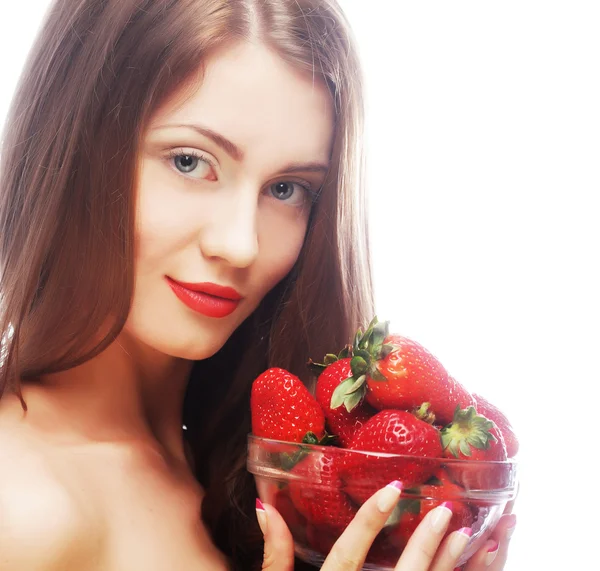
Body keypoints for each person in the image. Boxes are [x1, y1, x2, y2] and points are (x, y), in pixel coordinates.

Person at [0, 1, 516, 569]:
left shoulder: (255, 472)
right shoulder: (24, 503)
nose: (241, 244)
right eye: (191, 162)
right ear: (74, 150)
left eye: (288, 189)